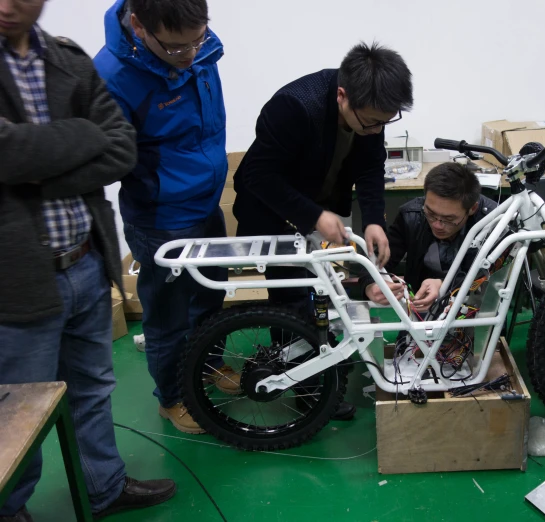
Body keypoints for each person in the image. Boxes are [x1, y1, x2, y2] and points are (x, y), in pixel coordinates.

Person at [0, 0, 176, 520]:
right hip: (16, 280)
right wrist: (81, 138)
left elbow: (121, 147)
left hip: (85, 261)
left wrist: (30, 170)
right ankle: (10, 509)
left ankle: (104, 488)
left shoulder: (69, 61)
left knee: (93, 390)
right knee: (17, 412)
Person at [232, 41, 414, 420]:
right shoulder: (294, 106)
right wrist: (314, 216)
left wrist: (375, 219)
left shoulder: (370, 110)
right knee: (293, 301)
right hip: (270, 212)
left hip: (317, 210)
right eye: (372, 122)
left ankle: (319, 373)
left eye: (386, 121)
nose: (376, 130)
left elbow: (369, 168)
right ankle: (308, 395)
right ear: (342, 96)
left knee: (323, 296)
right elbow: (258, 176)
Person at [94, 0, 238, 435]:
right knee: (167, 317)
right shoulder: (113, 77)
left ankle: (208, 365)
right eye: (177, 48)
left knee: (211, 296)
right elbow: (111, 159)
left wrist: (187, 48)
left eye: (199, 39)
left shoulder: (199, 47)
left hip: (205, 204)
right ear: (139, 27)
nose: (191, 54)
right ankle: (173, 397)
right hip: (161, 220)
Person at [361, 163, 498, 310]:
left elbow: (494, 278)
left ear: (472, 209)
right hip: (420, 312)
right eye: (431, 214)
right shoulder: (411, 215)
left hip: (474, 313)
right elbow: (373, 262)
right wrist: (371, 285)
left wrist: (444, 284)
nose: (437, 225)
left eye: (449, 219)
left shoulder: (493, 222)